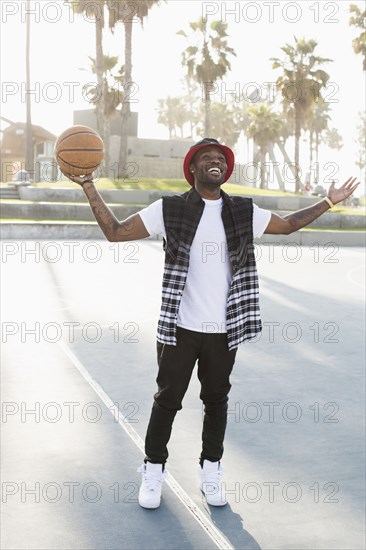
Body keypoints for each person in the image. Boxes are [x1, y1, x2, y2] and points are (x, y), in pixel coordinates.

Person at [65, 138, 359, 509]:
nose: (215, 162)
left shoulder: (241, 210)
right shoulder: (169, 209)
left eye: (220, 158)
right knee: (167, 401)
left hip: (224, 330)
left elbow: (286, 226)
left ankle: (211, 470)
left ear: (226, 169)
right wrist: (89, 185)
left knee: (216, 401)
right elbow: (116, 232)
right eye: (207, 158)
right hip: (180, 327)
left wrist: (329, 201)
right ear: (193, 169)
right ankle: (153, 470)